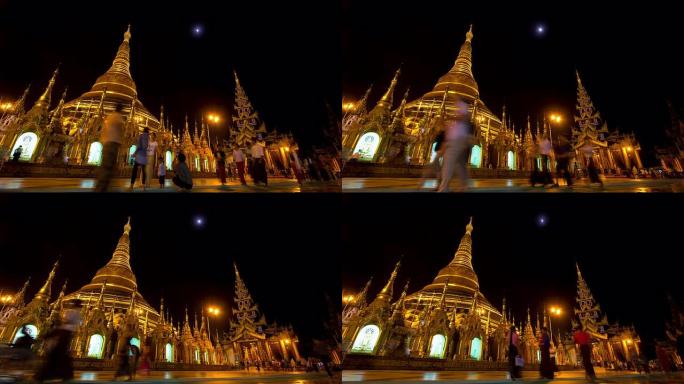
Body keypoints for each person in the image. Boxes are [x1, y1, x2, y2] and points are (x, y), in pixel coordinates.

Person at [35, 300, 82, 382]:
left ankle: (47, 375)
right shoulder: (77, 313)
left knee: (58, 354)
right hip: (66, 333)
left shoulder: (74, 312)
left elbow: (68, 322)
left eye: (73, 304)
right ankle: (64, 375)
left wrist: (61, 322)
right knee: (60, 354)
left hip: (65, 332)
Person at [438, 99, 470, 192]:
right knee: (460, 165)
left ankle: (444, 187)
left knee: (448, 164)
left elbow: (465, 117)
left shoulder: (463, 110)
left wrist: (450, 117)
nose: (455, 103)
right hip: (454, 142)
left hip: (457, 141)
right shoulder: (458, 111)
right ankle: (464, 186)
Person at [95, 104, 125, 192]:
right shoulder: (118, 117)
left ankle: (102, 186)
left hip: (106, 143)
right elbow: (122, 128)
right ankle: (102, 187)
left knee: (106, 166)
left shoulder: (110, 117)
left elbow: (104, 130)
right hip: (112, 145)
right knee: (109, 167)